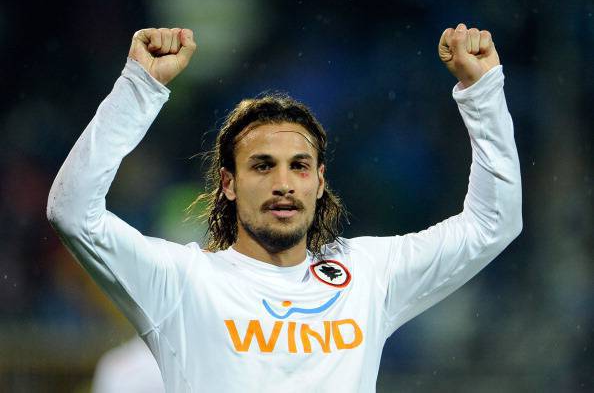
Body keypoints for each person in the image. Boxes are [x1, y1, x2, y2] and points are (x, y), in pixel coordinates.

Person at [47, 23, 522, 392]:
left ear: (319, 182)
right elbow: (72, 211)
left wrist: (483, 93)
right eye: (262, 166)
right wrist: (139, 88)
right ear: (229, 184)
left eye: (299, 166)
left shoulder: (368, 274)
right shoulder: (181, 282)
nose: (283, 185)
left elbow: (493, 223)